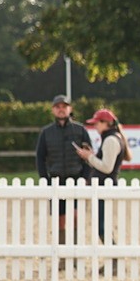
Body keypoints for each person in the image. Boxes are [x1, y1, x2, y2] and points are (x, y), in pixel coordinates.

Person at [35, 94, 92, 249]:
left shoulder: (80, 130)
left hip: (76, 179)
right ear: (53, 110)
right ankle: (61, 252)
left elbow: (89, 156)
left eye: (64, 107)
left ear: (69, 109)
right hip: (56, 179)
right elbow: (40, 157)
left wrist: (85, 178)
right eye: (58, 107)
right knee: (59, 218)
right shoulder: (46, 132)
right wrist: (44, 179)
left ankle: (74, 250)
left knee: (75, 216)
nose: (61, 110)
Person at [74, 108, 133, 243]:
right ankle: (112, 260)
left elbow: (107, 167)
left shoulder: (110, 140)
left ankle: (114, 259)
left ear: (106, 123)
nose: (95, 126)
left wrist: (89, 157)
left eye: (97, 123)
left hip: (104, 187)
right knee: (102, 225)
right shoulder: (113, 138)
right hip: (105, 186)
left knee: (102, 227)